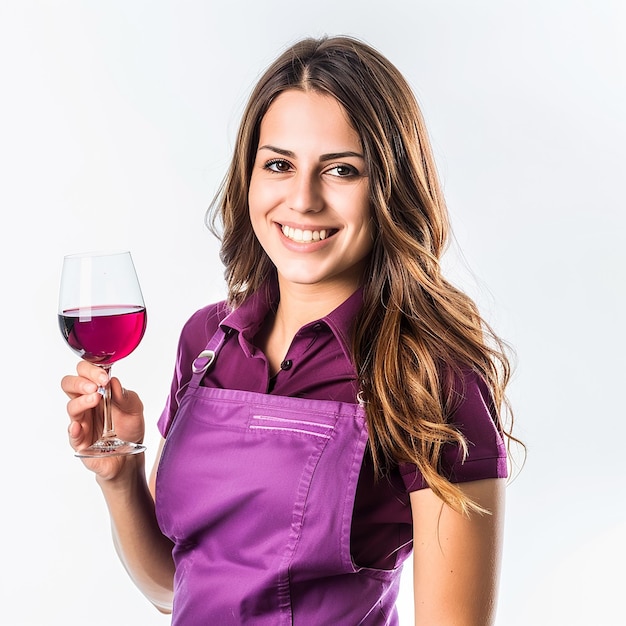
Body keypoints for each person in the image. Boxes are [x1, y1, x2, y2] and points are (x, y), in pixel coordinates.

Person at [62, 35, 517, 625]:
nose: (302, 200)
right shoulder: (206, 342)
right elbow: (175, 588)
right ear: (248, 177)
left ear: (389, 188)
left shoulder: (431, 372)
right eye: (279, 165)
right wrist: (119, 473)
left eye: (342, 171)